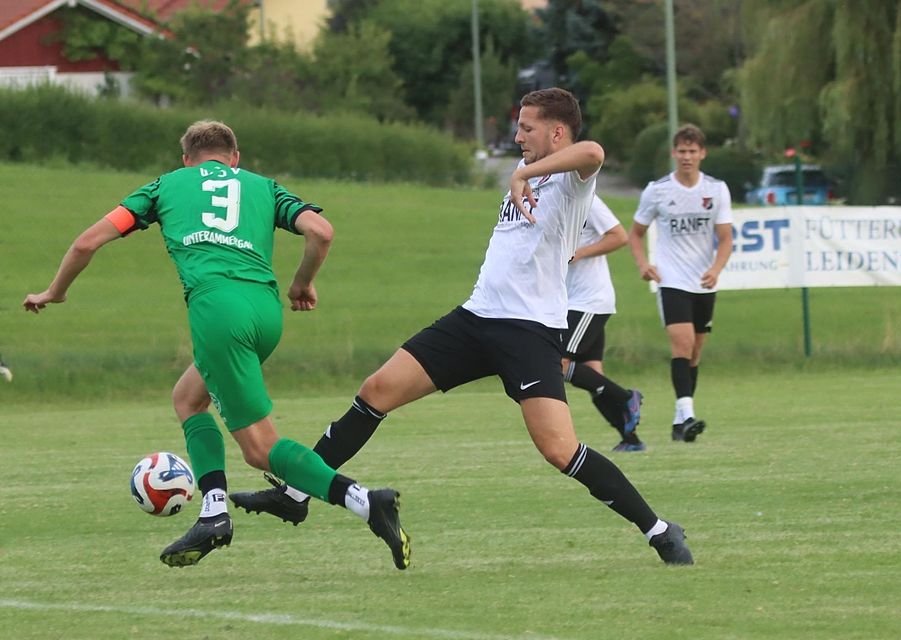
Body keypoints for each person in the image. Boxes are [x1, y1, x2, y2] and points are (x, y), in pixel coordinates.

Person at [231, 89, 694, 565]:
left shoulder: (573, 181)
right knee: (376, 390)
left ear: (557, 132)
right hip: (475, 318)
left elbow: (593, 151)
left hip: (528, 331)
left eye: (527, 128)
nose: (517, 137)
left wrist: (525, 172)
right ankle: (295, 494)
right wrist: (522, 173)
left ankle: (659, 530)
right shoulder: (526, 175)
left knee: (560, 450)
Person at [23, 120, 410, 570]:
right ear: (234, 158)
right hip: (265, 315)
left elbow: (87, 242)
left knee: (260, 449)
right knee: (188, 398)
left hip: (217, 314)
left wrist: (56, 291)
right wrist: (302, 283)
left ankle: (366, 501)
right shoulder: (263, 187)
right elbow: (321, 232)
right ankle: (213, 511)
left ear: (186, 159)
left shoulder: (165, 186)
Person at [628, 123, 733, 443]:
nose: (687, 157)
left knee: (695, 352)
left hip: (704, 281)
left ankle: (678, 423)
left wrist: (716, 268)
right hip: (671, 280)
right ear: (674, 153)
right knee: (683, 344)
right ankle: (687, 415)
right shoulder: (657, 190)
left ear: (702, 153)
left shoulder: (716, 190)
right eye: (682, 151)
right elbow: (635, 233)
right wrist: (644, 264)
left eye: (693, 151)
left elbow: (726, 238)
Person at [562, 195, 645, 452]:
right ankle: (630, 439)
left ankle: (626, 397)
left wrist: (579, 253)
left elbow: (619, 236)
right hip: (570, 300)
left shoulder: (586, 199)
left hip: (588, 300)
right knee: (593, 375)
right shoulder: (549, 199)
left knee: (557, 362)